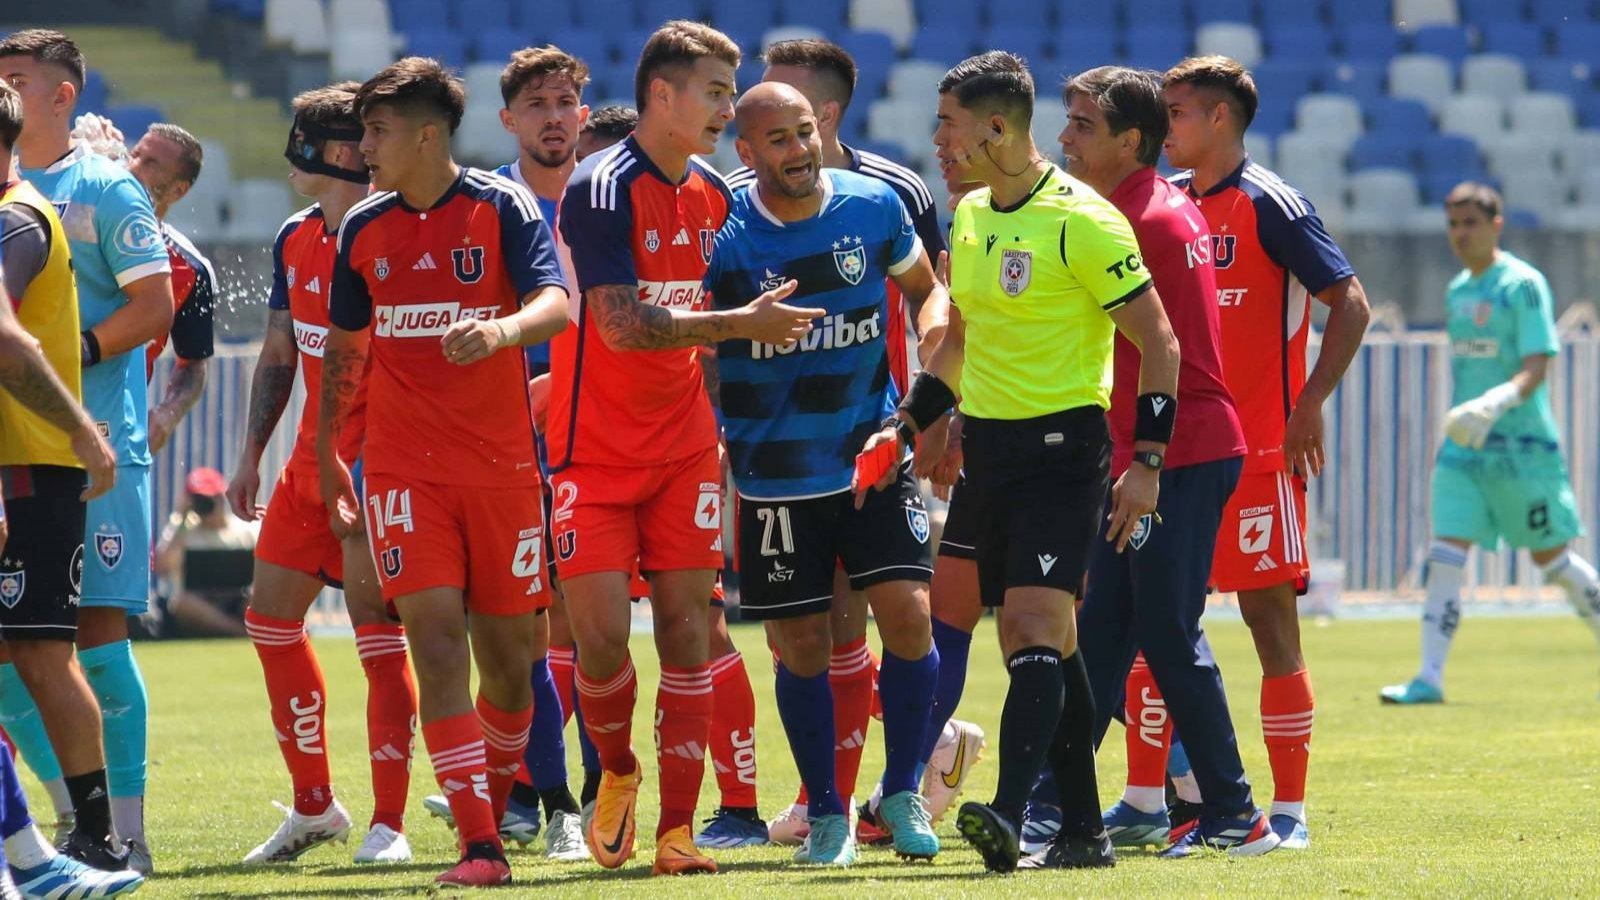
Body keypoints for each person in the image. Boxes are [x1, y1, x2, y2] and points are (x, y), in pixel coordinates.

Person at [857, 50, 1180, 873]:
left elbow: (1160, 344)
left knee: (1031, 632)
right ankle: (1082, 831)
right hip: (988, 458)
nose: (936, 141)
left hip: (1062, 456)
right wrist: (905, 428)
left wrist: (1145, 463)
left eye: (949, 126)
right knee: (1050, 648)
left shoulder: (1083, 219)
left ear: (997, 129)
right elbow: (959, 343)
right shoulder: (968, 218)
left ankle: (1005, 810)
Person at [550, 21, 821, 876]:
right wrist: (741, 325)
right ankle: (618, 773)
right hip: (589, 457)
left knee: (686, 634)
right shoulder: (599, 189)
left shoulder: (713, 190)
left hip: (683, 455)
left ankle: (676, 833)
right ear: (660, 96)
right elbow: (622, 326)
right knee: (597, 643)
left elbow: (740, 299)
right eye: (712, 90)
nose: (725, 107)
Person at [319, 57, 570, 888]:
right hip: (401, 471)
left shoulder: (502, 208)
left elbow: (556, 304)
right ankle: (481, 847)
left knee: (509, 661)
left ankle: (490, 808)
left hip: (500, 471)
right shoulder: (362, 227)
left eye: (378, 132)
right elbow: (345, 358)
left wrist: (501, 333)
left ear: (428, 135)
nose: (363, 148)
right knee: (432, 640)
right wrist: (330, 456)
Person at [728, 38, 983, 845]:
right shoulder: (724, 227)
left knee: (908, 616)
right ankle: (827, 810)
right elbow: (696, 346)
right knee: (803, 643)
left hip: (874, 453)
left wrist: (928, 382)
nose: (800, 150)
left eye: (805, 132)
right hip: (772, 474)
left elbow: (928, 295)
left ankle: (902, 792)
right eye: (780, 138)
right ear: (747, 151)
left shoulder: (872, 204)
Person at [1055, 65, 1279, 859]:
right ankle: (1057, 801)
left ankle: (1234, 812)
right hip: (1164, 451)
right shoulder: (1141, 208)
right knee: (1107, 628)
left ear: (1130, 140)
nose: (1064, 138)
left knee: (1163, 630)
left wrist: (1144, 461)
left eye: (1083, 125)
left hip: (1174, 454)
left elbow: (1167, 354)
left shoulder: (1139, 220)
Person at [1161, 55, 1371, 850]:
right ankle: (1165, 799)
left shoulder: (1270, 203)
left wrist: (1308, 404)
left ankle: (1289, 813)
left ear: (1219, 118)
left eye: (1177, 113)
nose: (1165, 128)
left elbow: (1348, 300)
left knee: (1267, 619)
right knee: (1157, 624)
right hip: (1173, 453)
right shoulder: (1168, 207)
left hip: (1256, 454)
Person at [226, 83, 421, 867]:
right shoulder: (295, 236)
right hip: (311, 465)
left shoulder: (397, 238)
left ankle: (390, 823)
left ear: (340, 152)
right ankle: (316, 808)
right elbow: (281, 352)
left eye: (303, 136)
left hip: (381, 468)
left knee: (382, 640)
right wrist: (249, 454)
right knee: (269, 622)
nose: (290, 151)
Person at [1, 29, 176, 873]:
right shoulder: (10, 187)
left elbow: (155, 305)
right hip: (16, 449)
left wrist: (71, 361)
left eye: (14, 79)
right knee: (14, 656)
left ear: (62, 95)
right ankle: (76, 825)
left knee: (94, 642)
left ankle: (127, 836)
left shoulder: (104, 188)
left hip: (94, 448)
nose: (1, 90)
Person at [1381, 182, 1600, 703]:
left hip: (1522, 450)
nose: (1460, 234)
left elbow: (1536, 367)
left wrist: (1492, 405)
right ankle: (1428, 677)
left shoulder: (1522, 285)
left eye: (1470, 223)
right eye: (1453, 224)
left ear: (1496, 225)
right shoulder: (1459, 289)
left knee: (1554, 562)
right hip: (1464, 452)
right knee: (1444, 554)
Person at [126, 122, 214, 450]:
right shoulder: (77, 226)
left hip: (119, 429)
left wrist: (167, 414)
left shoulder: (189, 268)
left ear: (179, 191)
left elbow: (193, 364)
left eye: (151, 164)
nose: (133, 167)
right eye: (135, 155)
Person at [152, 467, 256, 637]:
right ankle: (240, 633)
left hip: (239, 601)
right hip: (199, 604)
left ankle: (238, 630)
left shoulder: (246, 530)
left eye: (210, 499)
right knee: (183, 603)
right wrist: (182, 519)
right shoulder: (182, 529)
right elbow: (161, 568)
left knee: (258, 598)